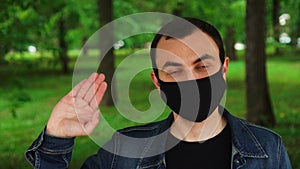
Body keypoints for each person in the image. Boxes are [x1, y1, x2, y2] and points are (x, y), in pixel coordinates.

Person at [25, 17, 292, 169]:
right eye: (174, 71)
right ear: (157, 81)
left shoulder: (269, 150)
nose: (190, 81)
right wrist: (55, 142)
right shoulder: (120, 152)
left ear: (223, 69)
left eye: (202, 66)